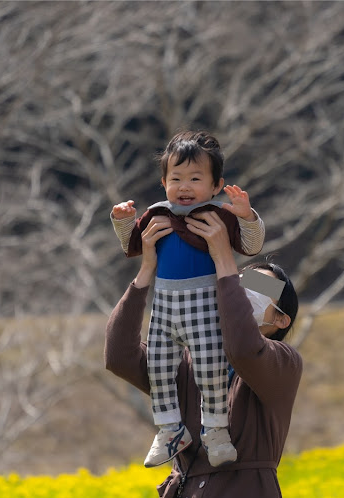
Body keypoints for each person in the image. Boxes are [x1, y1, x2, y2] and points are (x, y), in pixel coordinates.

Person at [105, 211, 302, 498]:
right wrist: (147, 270)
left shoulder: (284, 363)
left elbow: (244, 348)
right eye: (242, 282)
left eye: (261, 289)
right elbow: (119, 357)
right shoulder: (187, 359)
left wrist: (224, 259)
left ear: (281, 320)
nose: (243, 292)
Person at [110, 131, 265, 468]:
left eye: (195, 178)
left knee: (211, 370)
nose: (184, 186)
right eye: (176, 178)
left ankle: (215, 430)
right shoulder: (156, 214)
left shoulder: (219, 215)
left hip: (205, 307)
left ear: (215, 184)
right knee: (158, 369)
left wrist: (247, 216)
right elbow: (130, 245)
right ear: (164, 182)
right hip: (164, 308)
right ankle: (169, 429)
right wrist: (122, 221)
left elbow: (252, 247)